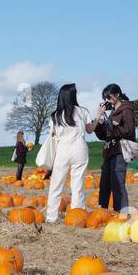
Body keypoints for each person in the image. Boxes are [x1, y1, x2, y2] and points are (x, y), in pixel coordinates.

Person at [42, 85, 92, 223]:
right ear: (73, 96)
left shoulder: (55, 115)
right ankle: (77, 216)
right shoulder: (83, 111)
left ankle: (51, 217)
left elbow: (52, 135)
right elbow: (90, 130)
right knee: (78, 184)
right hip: (79, 149)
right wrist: (99, 115)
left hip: (62, 150)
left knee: (56, 185)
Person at [90, 84, 136, 212]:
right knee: (104, 183)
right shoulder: (112, 113)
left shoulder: (127, 110)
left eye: (109, 98)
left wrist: (111, 125)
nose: (107, 101)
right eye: (105, 99)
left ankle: (121, 212)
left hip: (121, 150)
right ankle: (102, 210)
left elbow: (128, 130)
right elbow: (104, 136)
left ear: (117, 95)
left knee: (117, 183)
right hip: (110, 151)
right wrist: (100, 124)